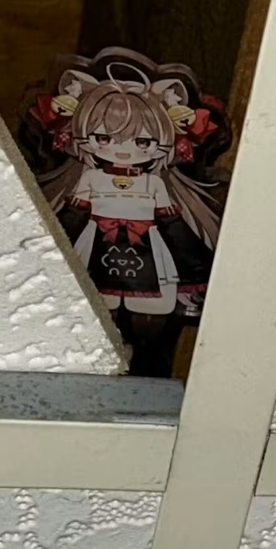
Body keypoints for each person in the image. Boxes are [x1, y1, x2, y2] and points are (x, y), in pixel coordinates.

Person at [23, 47, 231, 377]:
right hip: (94, 249)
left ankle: (145, 368)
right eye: (103, 138)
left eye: (143, 142)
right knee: (88, 318)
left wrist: (196, 272)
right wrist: (47, 258)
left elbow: (175, 225)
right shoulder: (89, 178)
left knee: (148, 326)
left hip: (149, 255)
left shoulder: (154, 184)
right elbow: (71, 220)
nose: (122, 150)